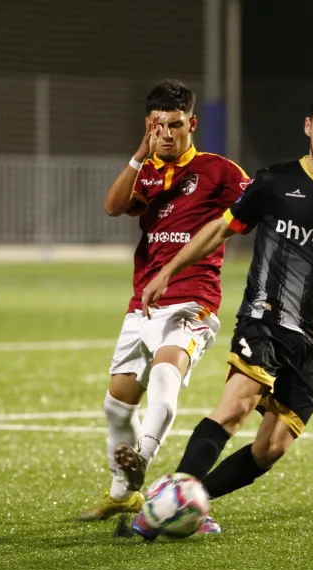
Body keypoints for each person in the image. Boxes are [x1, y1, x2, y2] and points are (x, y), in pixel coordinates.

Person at [132, 83, 313, 539]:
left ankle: (189, 502)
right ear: (308, 127)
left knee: (271, 447)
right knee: (235, 407)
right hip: (265, 320)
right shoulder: (274, 183)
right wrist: (169, 270)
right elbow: (218, 230)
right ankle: (160, 511)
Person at [77, 79, 250, 531]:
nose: (167, 134)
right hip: (144, 302)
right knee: (117, 406)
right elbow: (113, 206)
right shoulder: (148, 171)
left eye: (175, 125)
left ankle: (143, 457)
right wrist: (140, 153)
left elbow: (257, 206)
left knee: (165, 374)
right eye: (158, 126)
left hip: (193, 298)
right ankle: (123, 494)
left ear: (192, 123)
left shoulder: (219, 171)